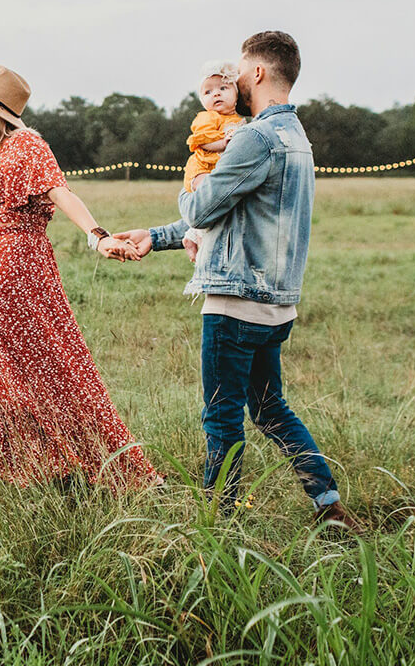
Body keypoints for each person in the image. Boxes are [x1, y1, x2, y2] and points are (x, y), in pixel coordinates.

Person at [114, 32, 362, 530]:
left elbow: (204, 206)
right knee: (271, 410)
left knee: (221, 417)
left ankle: (216, 523)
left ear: (259, 73)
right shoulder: (297, 138)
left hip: (235, 302)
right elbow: (234, 214)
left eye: (241, 70)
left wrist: (194, 186)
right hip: (277, 306)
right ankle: (328, 505)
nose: (234, 80)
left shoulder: (254, 137)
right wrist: (157, 236)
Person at [0, 64, 161, 488]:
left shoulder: (28, 144)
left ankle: (59, 461)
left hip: (16, 269)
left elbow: (61, 191)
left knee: (47, 364)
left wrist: (97, 236)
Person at [182, 61, 246, 257]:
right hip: (201, 168)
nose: (216, 94)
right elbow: (202, 142)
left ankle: (191, 236)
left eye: (223, 88)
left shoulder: (239, 120)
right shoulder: (207, 117)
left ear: (236, 94)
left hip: (217, 170)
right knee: (209, 197)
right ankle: (198, 236)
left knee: (220, 202)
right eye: (208, 92)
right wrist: (223, 143)